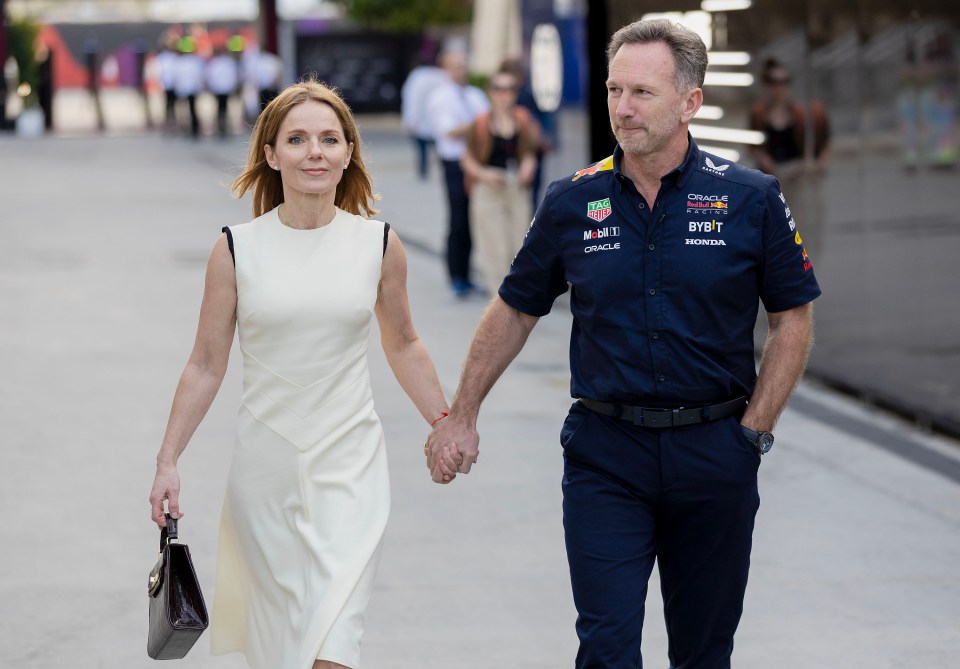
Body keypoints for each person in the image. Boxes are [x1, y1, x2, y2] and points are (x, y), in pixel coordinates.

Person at [425, 18, 821, 669]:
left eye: (642, 91)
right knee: (606, 648)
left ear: (690, 101)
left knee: (703, 651)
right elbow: (515, 309)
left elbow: (793, 320)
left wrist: (753, 433)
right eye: (614, 89)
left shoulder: (749, 198)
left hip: (713, 451)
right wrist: (461, 412)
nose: (622, 107)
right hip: (606, 455)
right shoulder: (571, 201)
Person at [148, 78, 449, 669]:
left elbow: (405, 343)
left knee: (336, 639)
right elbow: (206, 365)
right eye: (298, 139)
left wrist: (445, 420)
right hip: (267, 475)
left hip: (351, 469)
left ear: (347, 154)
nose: (315, 151)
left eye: (330, 139)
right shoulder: (235, 249)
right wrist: (168, 460)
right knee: (283, 649)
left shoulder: (380, 244)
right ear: (271, 154)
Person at [460, 68, 540, 294]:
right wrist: (484, 174)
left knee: (520, 242)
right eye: (498, 89)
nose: (504, 94)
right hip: (488, 186)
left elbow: (530, 152)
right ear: (490, 92)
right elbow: (465, 159)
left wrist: (528, 164)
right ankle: (499, 296)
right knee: (492, 243)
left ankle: (518, 293)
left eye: (509, 89)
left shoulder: (522, 119)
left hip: (516, 185)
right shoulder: (481, 123)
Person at [748, 58, 830, 256]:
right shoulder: (759, 113)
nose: (780, 88)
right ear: (767, 85)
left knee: (802, 227)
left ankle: (805, 270)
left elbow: (823, 141)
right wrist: (763, 159)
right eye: (774, 82)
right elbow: (753, 143)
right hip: (771, 178)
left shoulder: (802, 113)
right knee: (772, 230)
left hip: (798, 176)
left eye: (784, 82)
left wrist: (813, 164)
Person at [425, 49, 490, 298]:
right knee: (458, 219)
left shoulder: (474, 95)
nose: (461, 69)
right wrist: (478, 126)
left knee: (475, 218)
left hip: (478, 160)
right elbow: (451, 132)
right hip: (454, 164)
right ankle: (456, 277)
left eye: (464, 64)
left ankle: (468, 274)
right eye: (456, 65)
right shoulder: (440, 98)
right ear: (445, 69)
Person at [400, 58, 446, 179]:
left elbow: (411, 99)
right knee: (440, 147)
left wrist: (409, 119)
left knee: (422, 149)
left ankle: (423, 170)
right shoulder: (440, 75)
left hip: (419, 120)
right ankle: (444, 168)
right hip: (437, 119)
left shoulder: (416, 78)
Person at [205, 44, 240, 137]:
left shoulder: (215, 63)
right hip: (224, 88)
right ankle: (223, 127)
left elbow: (209, 76)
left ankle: (222, 126)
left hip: (219, 88)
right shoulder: (227, 62)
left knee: (220, 108)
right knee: (223, 108)